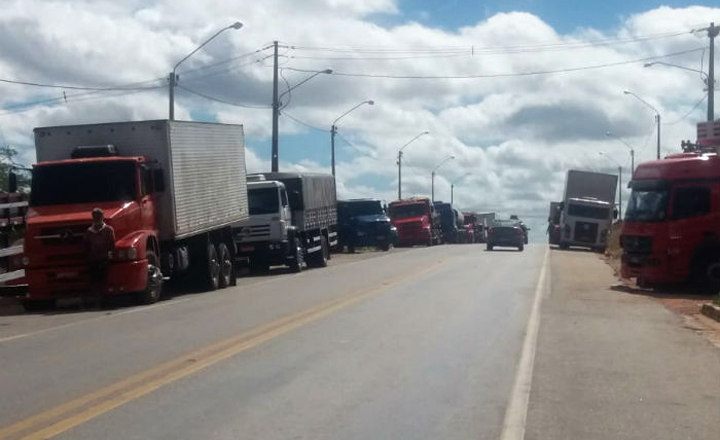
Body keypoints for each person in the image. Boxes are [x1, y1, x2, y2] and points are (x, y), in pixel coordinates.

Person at [84, 208, 115, 306]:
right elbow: (86, 245)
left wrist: (110, 254)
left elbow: (112, 243)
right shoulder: (89, 232)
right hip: (93, 259)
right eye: (95, 216)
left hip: (104, 258)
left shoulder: (108, 230)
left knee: (104, 279)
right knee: (94, 280)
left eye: (99, 215)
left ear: (102, 216)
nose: (97, 218)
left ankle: (106, 300)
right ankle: (96, 301)